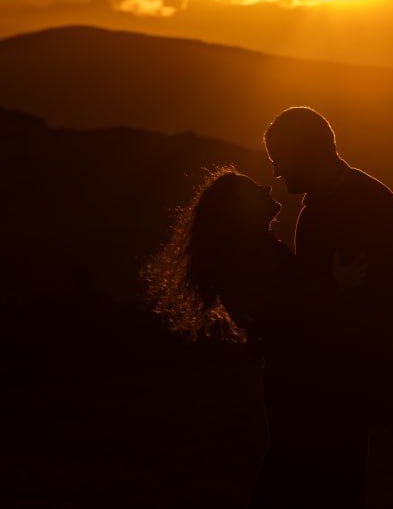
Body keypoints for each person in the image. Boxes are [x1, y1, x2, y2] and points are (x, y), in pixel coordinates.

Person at [264, 106, 393, 508]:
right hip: (372, 370)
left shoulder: (359, 202)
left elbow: (355, 294)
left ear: (308, 151)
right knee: (368, 485)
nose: (276, 171)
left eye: (280, 159)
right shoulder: (329, 206)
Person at [143, 168, 366, 507]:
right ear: (239, 210)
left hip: (295, 377)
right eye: (252, 189)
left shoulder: (251, 252)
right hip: (302, 379)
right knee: (307, 472)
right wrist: (336, 287)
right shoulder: (249, 257)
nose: (264, 187)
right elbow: (284, 315)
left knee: (296, 470)